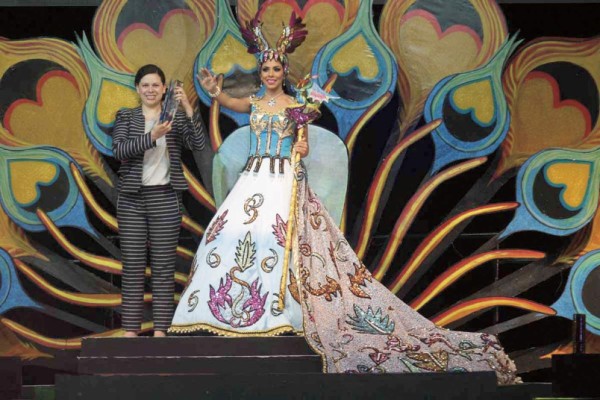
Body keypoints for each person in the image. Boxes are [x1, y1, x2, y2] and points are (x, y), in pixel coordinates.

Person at [169, 16, 519, 384]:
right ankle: (229, 313)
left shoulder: (297, 104)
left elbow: (303, 142)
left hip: (282, 180)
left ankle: (282, 314)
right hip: (252, 179)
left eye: (276, 68)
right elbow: (229, 101)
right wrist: (213, 90)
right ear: (261, 72)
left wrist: (300, 147)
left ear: (283, 71)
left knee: (278, 242)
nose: (270, 74)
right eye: (266, 69)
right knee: (227, 238)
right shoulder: (255, 102)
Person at [112, 64, 206, 338]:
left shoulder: (173, 117)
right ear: (137, 88)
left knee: (164, 268)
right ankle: (130, 331)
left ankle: (161, 331)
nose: (150, 90)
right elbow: (119, 150)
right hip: (132, 200)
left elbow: (198, 144)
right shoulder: (126, 116)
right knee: (132, 267)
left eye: (155, 85)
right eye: (145, 85)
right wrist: (151, 136)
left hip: (165, 197)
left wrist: (188, 108)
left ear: (165, 89)